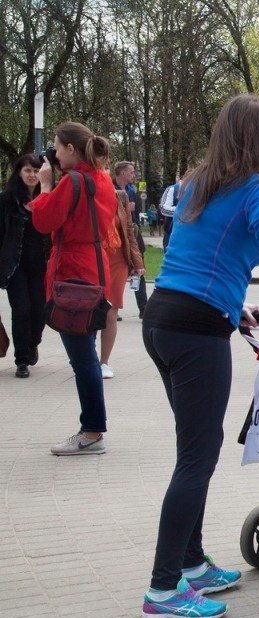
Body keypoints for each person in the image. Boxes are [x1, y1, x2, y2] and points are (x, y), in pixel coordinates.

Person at [140, 94, 259, 618]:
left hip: (163, 320)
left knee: (192, 452)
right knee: (197, 458)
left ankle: (193, 564)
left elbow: (195, 255)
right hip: (195, 333)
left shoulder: (200, 182)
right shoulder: (257, 188)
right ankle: (162, 591)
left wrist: (235, 303)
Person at [31, 122, 116, 454]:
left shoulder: (74, 181)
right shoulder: (103, 179)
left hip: (72, 271)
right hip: (94, 267)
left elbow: (43, 221)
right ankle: (92, 428)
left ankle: (92, 432)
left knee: (83, 360)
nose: (53, 153)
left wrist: (46, 186)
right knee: (87, 356)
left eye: (56, 146)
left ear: (69, 149)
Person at [0, 154, 49, 378]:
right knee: (21, 310)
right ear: (19, 173)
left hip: (41, 264)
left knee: (39, 311)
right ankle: (22, 360)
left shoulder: (48, 198)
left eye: (36, 171)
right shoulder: (7, 201)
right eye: (27, 170)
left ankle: (32, 344)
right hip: (15, 265)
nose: (32, 175)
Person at [99, 190, 144, 379]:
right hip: (91, 256)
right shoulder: (82, 190)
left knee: (111, 310)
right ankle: (85, 356)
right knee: (88, 307)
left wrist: (137, 261)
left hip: (117, 259)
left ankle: (103, 362)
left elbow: (128, 231)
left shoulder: (120, 197)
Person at [113, 161, 147, 317]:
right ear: (122, 173)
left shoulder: (131, 191)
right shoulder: (110, 188)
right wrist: (123, 207)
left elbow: (135, 214)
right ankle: (113, 307)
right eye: (131, 172)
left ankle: (144, 308)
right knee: (116, 270)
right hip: (116, 234)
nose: (134, 175)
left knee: (139, 267)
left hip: (132, 231)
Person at [159, 177, 182, 252]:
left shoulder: (199, 190)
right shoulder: (173, 189)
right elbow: (164, 209)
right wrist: (183, 211)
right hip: (172, 230)